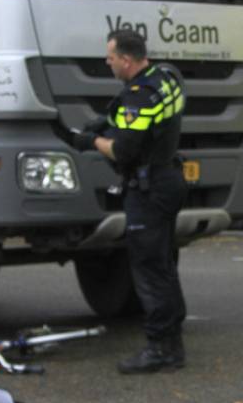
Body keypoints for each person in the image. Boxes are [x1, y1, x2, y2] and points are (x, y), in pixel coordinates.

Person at [73, 29, 188, 374]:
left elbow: (123, 150)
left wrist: (92, 141)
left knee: (149, 269)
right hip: (168, 178)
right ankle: (172, 344)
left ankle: (160, 348)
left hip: (148, 188)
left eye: (110, 57)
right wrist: (108, 121)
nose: (107, 62)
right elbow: (141, 124)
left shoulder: (139, 96)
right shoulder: (165, 79)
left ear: (126, 60)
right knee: (163, 265)